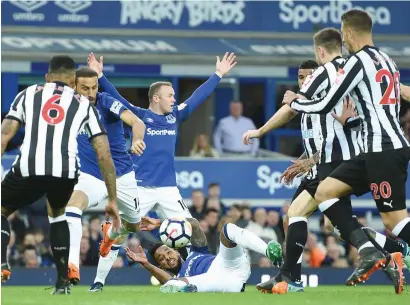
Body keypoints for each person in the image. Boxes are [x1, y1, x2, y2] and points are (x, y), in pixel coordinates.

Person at [245, 40, 409, 294]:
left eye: (306, 76)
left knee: (312, 216)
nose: (303, 81)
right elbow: (321, 133)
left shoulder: (331, 83)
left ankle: (293, 277)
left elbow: (342, 123)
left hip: (338, 163)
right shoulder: (317, 97)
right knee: (320, 222)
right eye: (299, 77)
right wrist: (306, 158)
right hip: (324, 163)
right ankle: (391, 254)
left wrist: (261, 131)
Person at [86, 52, 237, 292]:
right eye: (170, 95)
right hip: (140, 188)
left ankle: (201, 276)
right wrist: (100, 75)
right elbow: (116, 97)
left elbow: (198, 97)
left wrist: (218, 74)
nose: (174, 99)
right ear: (156, 98)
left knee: (192, 227)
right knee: (118, 233)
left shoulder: (174, 117)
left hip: (168, 189)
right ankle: (98, 281)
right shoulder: (139, 116)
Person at [0, 55, 120, 295]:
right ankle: (62, 282)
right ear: (74, 81)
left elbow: (5, 135)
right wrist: (113, 199)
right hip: (64, 172)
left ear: (47, 77)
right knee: (57, 215)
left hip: (29, 167)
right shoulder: (84, 104)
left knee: (2, 209)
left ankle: (2, 261)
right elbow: (104, 155)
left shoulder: (28, 93)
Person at [65, 67, 146, 285]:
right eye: (85, 88)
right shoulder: (67, 106)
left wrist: (137, 140)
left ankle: (110, 235)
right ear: (74, 86)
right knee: (72, 207)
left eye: (94, 87)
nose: (91, 93)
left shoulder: (106, 102)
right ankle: (73, 264)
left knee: (134, 226)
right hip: (93, 175)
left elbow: (137, 122)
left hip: (122, 174)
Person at [125, 216, 282, 293]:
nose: (167, 258)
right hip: (221, 283)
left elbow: (193, 223)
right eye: (162, 259)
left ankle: (268, 250)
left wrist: (161, 223)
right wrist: (146, 264)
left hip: (226, 264)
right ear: (161, 266)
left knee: (228, 230)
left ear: (176, 249)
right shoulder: (178, 277)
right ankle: (186, 292)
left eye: (167, 252)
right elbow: (168, 281)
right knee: (174, 285)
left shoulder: (196, 251)